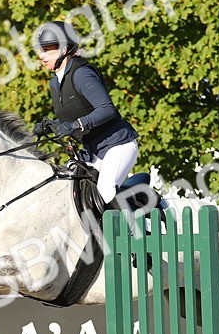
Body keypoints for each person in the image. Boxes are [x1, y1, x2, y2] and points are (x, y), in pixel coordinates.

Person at [31, 20, 140, 205]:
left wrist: (76, 125)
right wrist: (52, 126)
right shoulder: (55, 83)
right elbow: (72, 117)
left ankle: (131, 232)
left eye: (48, 48)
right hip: (92, 152)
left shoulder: (81, 74)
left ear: (65, 49)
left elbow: (107, 109)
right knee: (65, 188)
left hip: (117, 145)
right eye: (41, 49)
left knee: (104, 192)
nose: (42, 55)